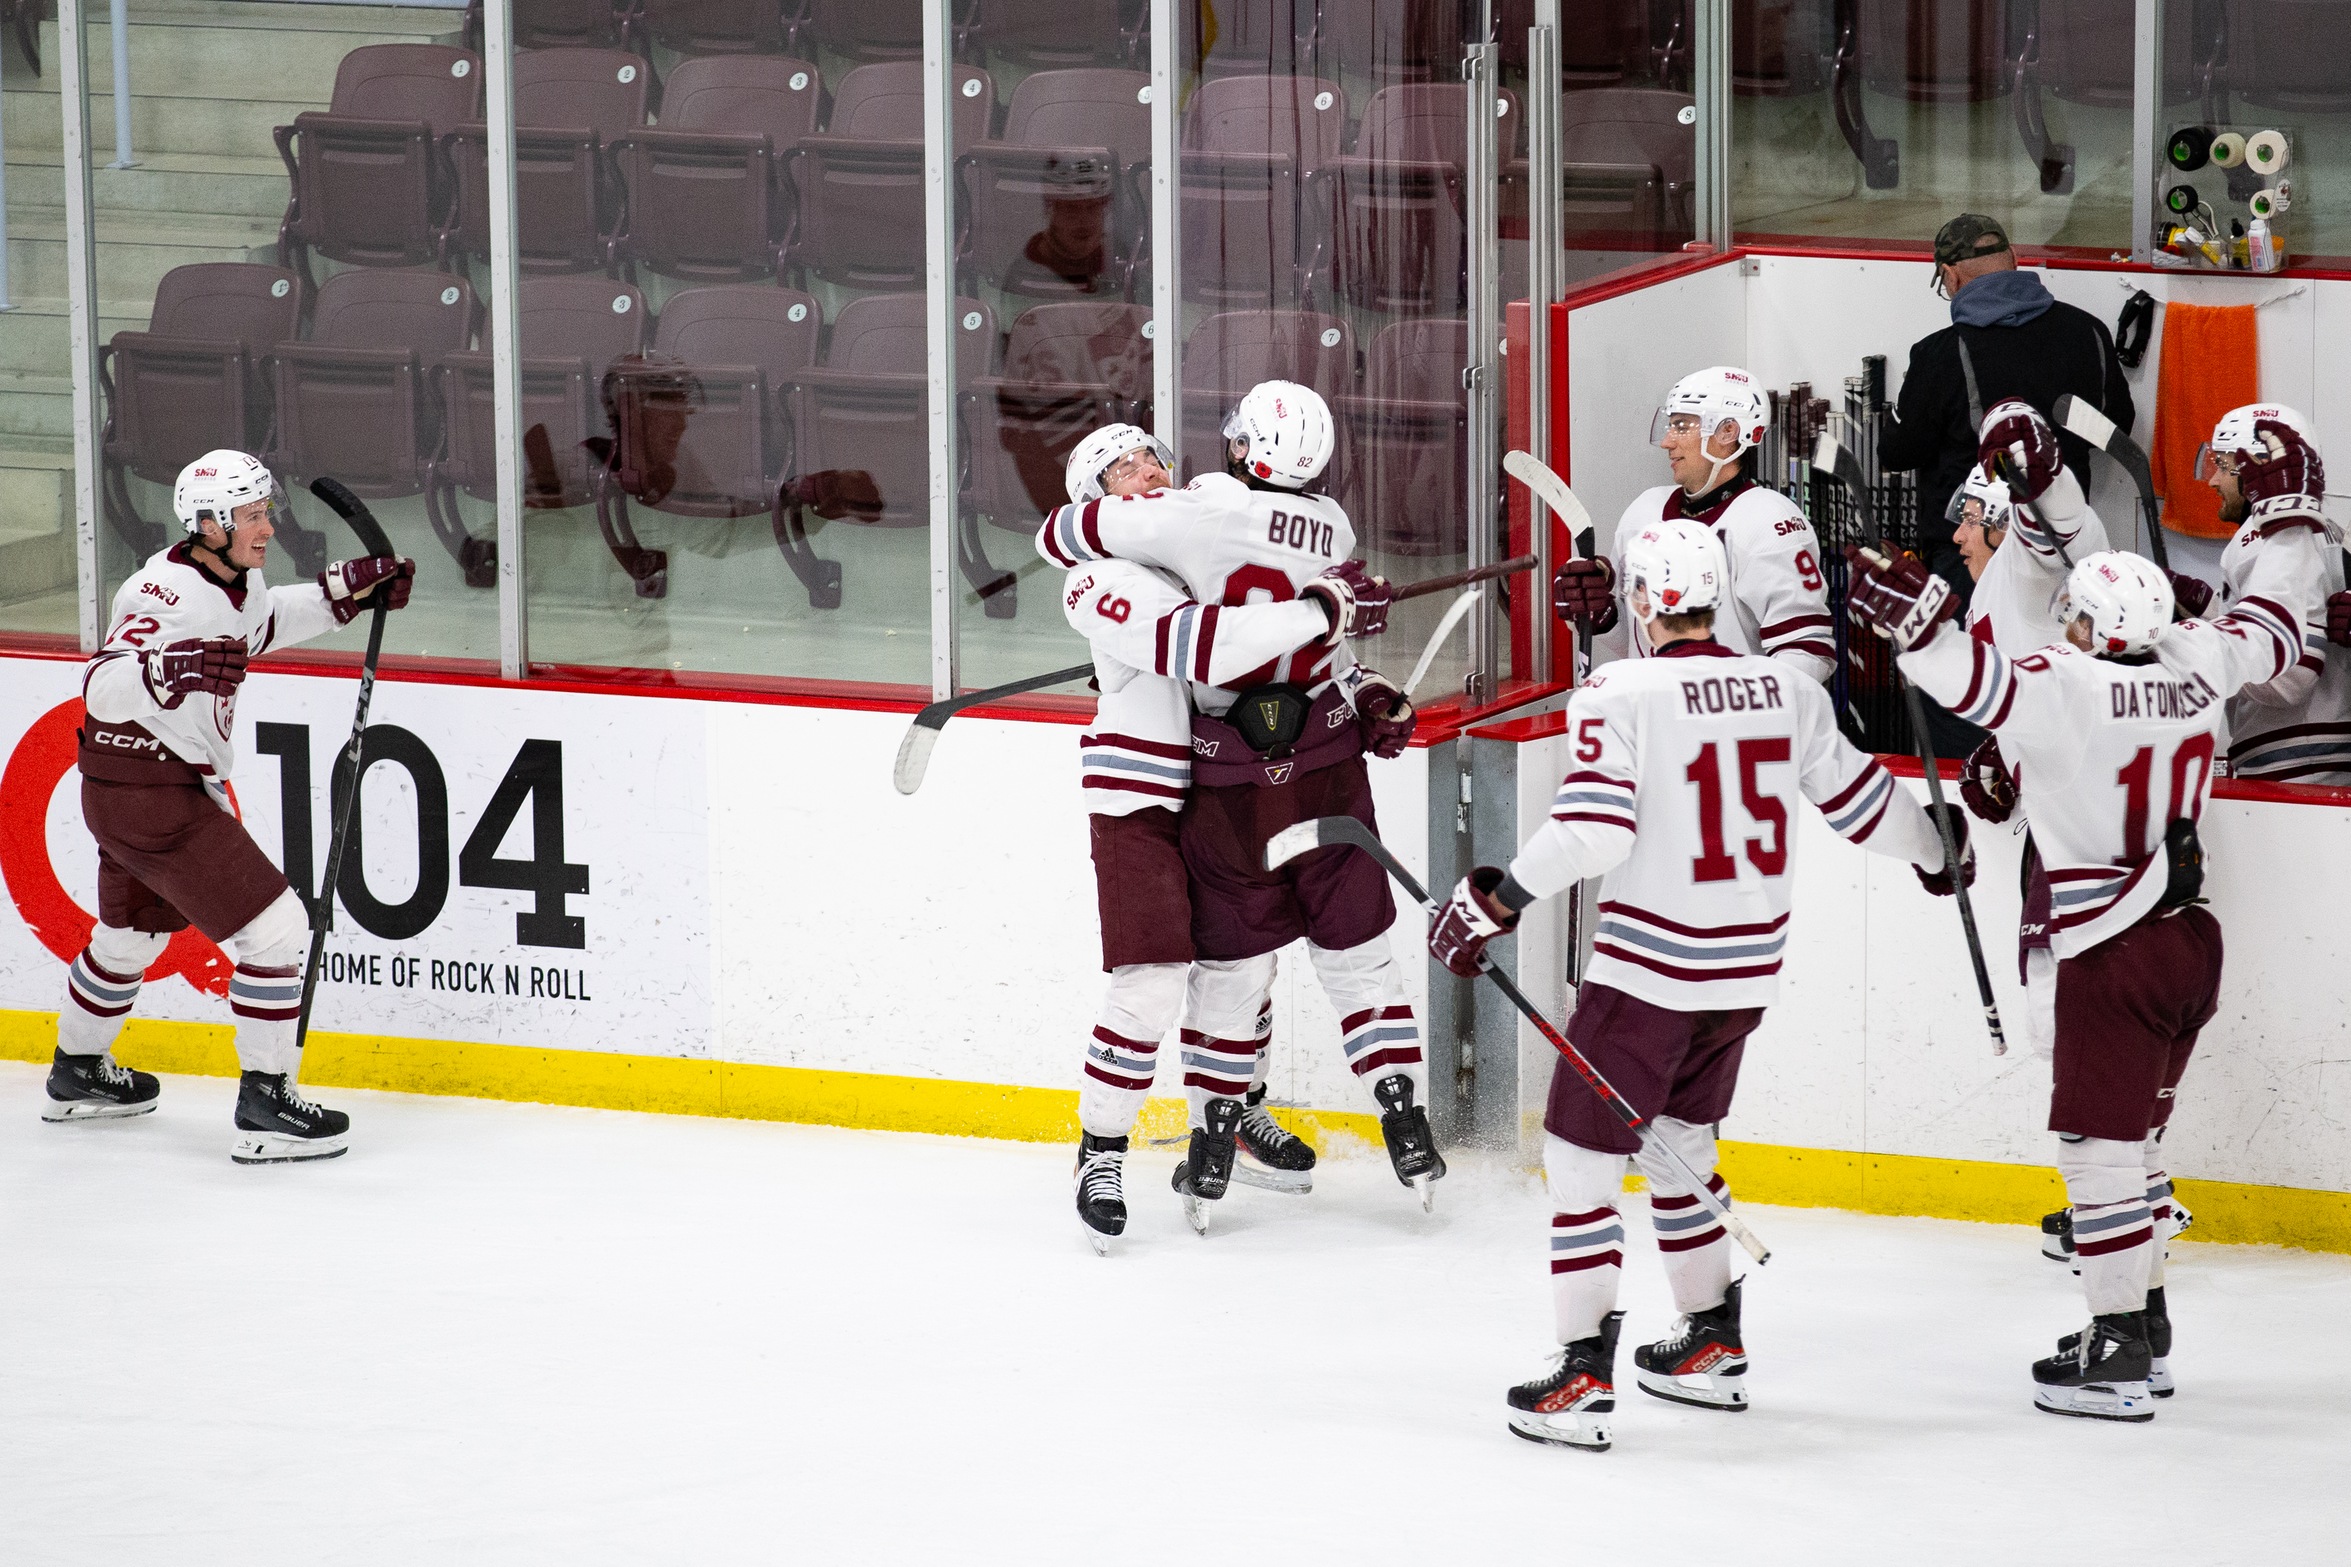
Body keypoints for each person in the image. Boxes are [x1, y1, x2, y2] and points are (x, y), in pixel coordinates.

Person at [1426, 517, 1965, 1453]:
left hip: (1649, 973)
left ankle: (1581, 1374)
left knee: (1581, 1166)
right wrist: (1935, 850)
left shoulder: (1617, 687)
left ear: (1640, 600)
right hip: (1744, 971)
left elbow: (1597, 833)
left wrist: (1498, 898)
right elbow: (1863, 803)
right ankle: (1708, 1344)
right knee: (1679, 1142)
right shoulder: (1786, 687)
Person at [1848, 538, 2303, 1421]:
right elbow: (2272, 635)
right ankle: (2148, 1324)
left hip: (2111, 944)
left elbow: (1972, 682)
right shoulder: (2195, 664)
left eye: (2078, 615)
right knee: (2138, 1151)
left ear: (2097, 626)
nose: (2067, 624)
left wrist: (1916, 628)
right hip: (2188, 937)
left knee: (2096, 1156)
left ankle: (2118, 1346)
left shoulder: (2070, 686)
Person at [1040, 383, 1442, 1224]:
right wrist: (1323, 605)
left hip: (1216, 782)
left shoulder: (1198, 537)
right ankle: (1100, 1153)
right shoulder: (1097, 582)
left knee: (1242, 961)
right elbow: (1210, 649)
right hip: (1141, 796)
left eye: (1151, 454)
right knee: (1152, 984)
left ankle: (1237, 1117)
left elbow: (1281, 666)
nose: (1147, 470)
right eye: (1120, 468)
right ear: (1094, 498)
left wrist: (1357, 682)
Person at [48, 450, 416, 1163]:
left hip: (124, 788)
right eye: (251, 515)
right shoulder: (163, 591)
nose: (267, 528)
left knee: (130, 935)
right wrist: (172, 669)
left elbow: (262, 621)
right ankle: (268, 1098)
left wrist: (346, 593)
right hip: (154, 793)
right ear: (209, 523)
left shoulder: (234, 581)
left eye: (265, 512)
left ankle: (77, 1069)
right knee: (278, 932)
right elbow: (101, 685)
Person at [1878, 214, 2135, 597]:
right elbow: (2117, 426)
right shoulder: (2089, 331)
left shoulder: (1939, 354)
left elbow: (1896, 452)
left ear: (1949, 277)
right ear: (2014, 256)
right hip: (2065, 545)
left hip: (1968, 556)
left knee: (1975, 657)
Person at [1550, 366, 1835, 684]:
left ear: (1727, 432)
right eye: (1669, 426)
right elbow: (1635, 644)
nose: (1667, 442)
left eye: (1680, 427)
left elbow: (1809, 655)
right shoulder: (1643, 513)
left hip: (1728, 729)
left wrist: (1737, 713)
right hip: (1653, 720)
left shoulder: (1767, 522)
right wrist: (1601, 614)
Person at [2192, 404, 2351, 785]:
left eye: (2225, 465)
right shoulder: (2325, 532)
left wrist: (2191, 639)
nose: (2213, 481)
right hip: (2318, 759)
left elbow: (2287, 677)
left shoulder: (2269, 537)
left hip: (2295, 766)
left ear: (2259, 467)